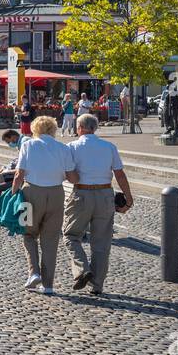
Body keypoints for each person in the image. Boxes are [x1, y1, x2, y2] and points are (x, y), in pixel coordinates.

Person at [64, 113, 134, 296]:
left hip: (82, 193)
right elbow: (119, 174)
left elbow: (67, 173)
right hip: (105, 194)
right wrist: (128, 198)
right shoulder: (109, 146)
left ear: (79, 128)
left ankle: (81, 269)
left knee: (71, 235)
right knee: (102, 243)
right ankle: (97, 285)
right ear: (94, 128)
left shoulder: (72, 147)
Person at [10, 115, 78, 294]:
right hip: (56, 193)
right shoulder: (63, 148)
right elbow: (72, 177)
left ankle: (34, 273)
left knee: (28, 233)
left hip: (31, 192)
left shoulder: (28, 145)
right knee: (50, 239)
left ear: (35, 129)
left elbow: (19, 174)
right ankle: (48, 285)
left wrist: (13, 193)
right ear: (53, 129)